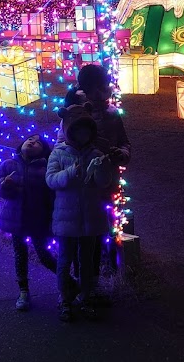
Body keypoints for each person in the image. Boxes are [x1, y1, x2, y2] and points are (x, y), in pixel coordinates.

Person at [57, 63, 131, 304]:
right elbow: (62, 146)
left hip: (106, 182)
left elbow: (124, 142)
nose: (100, 95)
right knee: (81, 235)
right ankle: (79, 282)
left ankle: (95, 281)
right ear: (83, 91)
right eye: (94, 90)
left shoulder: (112, 115)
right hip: (82, 185)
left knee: (100, 231)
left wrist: (122, 153)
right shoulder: (73, 116)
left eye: (103, 89)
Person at [46, 113, 115, 322]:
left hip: (90, 215)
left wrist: (102, 168)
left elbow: (104, 182)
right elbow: (50, 179)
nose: (83, 134)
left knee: (86, 259)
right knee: (65, 259)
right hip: (66, 216)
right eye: (78, 130)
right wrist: (68, 174)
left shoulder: (95, 153)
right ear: (69, 132)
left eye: (86, 130)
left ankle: (85, 296)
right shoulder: (58, 153)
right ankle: (65, 297)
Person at [0, 133, 57, 312]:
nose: (32, 142)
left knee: (44, 254)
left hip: (38, 219)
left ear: (44, 152)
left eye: (37, 143)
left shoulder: (45, 169)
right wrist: (4, 185)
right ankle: (23, 291)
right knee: (20, 254)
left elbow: (51, 194)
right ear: (21, 144)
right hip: (16, 219)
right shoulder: (9, 165)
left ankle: (67, 282)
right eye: (30, 140)